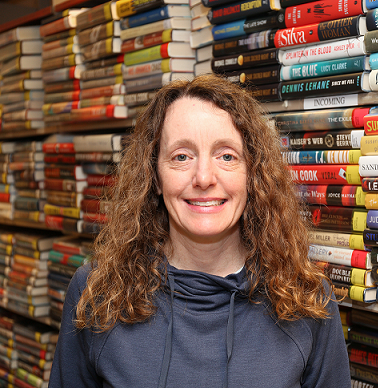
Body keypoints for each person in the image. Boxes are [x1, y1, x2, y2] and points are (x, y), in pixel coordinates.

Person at [49, 74, 351, 388]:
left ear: (254, 174)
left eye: (227, 156)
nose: (204, 177)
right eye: (181, 156)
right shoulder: (97, 292)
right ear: (154, 175)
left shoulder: (308, 299)